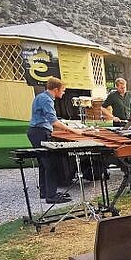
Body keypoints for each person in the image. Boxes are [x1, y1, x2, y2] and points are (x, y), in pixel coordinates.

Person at [27, 76, 80, 204]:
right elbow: (53, 121)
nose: (64, 92)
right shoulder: (46, 100)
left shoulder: (41, 96)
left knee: (43, 164)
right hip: (40, 132)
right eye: (63, 90)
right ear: (56, 89)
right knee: (50, 165)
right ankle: (51, 196)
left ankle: (45, 192)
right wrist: (74, 130)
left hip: (35, 131)